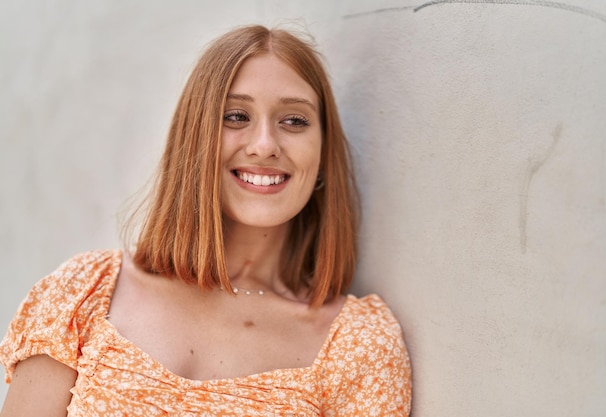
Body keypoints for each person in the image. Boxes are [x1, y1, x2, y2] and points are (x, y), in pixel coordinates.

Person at [0, 24, 412, 416]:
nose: (266, 145)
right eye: (236, 116)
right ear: (193, 140)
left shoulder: (357, 344)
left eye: (294, 121)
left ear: (322, 157)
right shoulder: (82, 294)